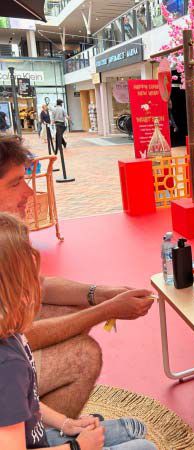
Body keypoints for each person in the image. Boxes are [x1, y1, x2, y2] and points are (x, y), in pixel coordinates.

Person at [0, 136, 154, 419]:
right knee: (84, 356)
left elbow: (40, 286)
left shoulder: (6, 232)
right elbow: (16, 334)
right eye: (15, 183)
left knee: (76, 308)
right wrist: (106, 310)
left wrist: (98, 293)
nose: (29, 193)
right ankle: (40, 437)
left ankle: (36, 415)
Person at [0, 212, 157, 450]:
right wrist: (78, 447)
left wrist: (65, 424)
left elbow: (26, 401)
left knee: (133, 428)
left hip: (32, 437)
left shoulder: (11, 335)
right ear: (18, 289)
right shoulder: (8, 365)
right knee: (145, 447)